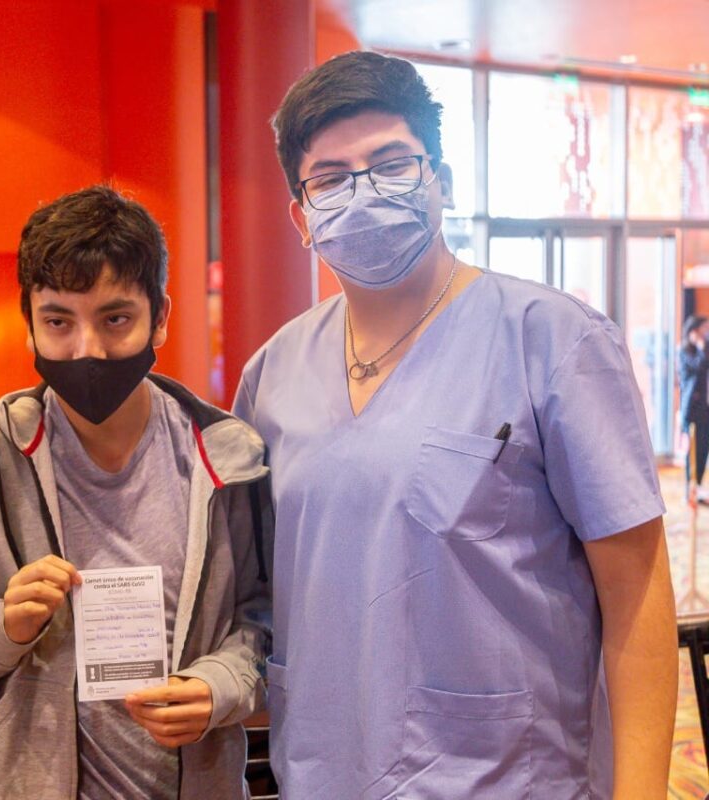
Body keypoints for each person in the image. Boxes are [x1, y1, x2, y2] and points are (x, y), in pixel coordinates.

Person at [234, 51, 677, 799]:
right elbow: (259, 587)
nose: (364, 193)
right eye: (330, 179)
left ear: (441, 180)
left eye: (391, 165)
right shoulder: (274, 373)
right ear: (301, 216)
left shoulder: (553, 342)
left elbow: (637, 602)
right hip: (323, 772)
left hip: (512, 778)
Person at [0, 185, 272, 800]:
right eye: (58, 322)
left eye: (115, 319)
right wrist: (7, 626)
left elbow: (262, 619)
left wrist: (218, 687)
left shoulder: (230, 462)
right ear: (28, 323)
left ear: (160, 316)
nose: (87, 349)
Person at [680, 314, 709, 499]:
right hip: (692, 409)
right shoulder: (685, 351)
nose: (706, 333)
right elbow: (699, 367)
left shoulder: (704, 349)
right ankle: (689, 490)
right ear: (694, 331)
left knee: (704, 449)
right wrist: (700, 346)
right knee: (693, 451)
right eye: (704, 329)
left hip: (706, 408)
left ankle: (697, 488)